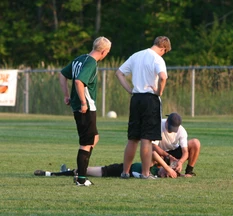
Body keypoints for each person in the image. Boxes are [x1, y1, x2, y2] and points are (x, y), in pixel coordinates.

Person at [115, 36, 171, 179]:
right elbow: (163, 77)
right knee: (146, 139)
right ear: (163, 48)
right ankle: (145, 173)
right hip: (150, 99)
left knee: (133, 138)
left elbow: (119, 73)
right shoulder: (157, 59)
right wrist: (159, 91)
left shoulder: (136, 55)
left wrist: (129, 89)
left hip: (136, 99)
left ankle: (125, 172)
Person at [59, 36, 112, 186]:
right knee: (86, 143)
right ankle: (81, 178)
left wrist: (66, 96)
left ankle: (81, 170)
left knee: (94, 138)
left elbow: (62, 74)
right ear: (104, 51)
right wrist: (83, 102)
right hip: (86, 107)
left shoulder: (80, 59)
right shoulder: (91, 63)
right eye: (108, 52)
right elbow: (78, 81)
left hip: (80, 105)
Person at [34, 151, 178, 179]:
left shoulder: (155, 177)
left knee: (85, 171)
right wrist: (168, 168)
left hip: (118, 173)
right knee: (84, 170)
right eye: (166, 172)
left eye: (167, 176)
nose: (166, 174)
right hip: (119, 168)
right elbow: (152, 153)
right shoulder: (153, 166)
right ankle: (53, 173)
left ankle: (53, 173)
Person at [152, 113, 201, 177]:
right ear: (167, 121)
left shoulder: (181, 131)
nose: (171, 130)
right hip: (160, 153)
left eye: (174, 128)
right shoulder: (158, 125)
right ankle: (159, 169)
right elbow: (154, 146)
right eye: (170, 127)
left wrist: (180, 162)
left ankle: (189, 171)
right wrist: (169, 156)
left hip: (174, 151)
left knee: (195, 143)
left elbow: (185, 152)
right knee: (152, 152)